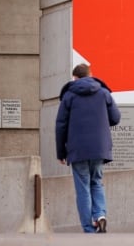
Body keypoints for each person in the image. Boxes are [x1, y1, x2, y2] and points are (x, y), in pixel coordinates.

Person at [55, 63, 121, 233]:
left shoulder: (69, 96)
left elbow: (61, 125)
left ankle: (88, 228)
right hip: (99, 148)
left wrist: (61, 152)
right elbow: (116, 118)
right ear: (91, 74)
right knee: (97, 182)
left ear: (75, 78)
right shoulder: (103, 93)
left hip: (78, 150)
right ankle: (100, 215)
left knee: (83, 187)